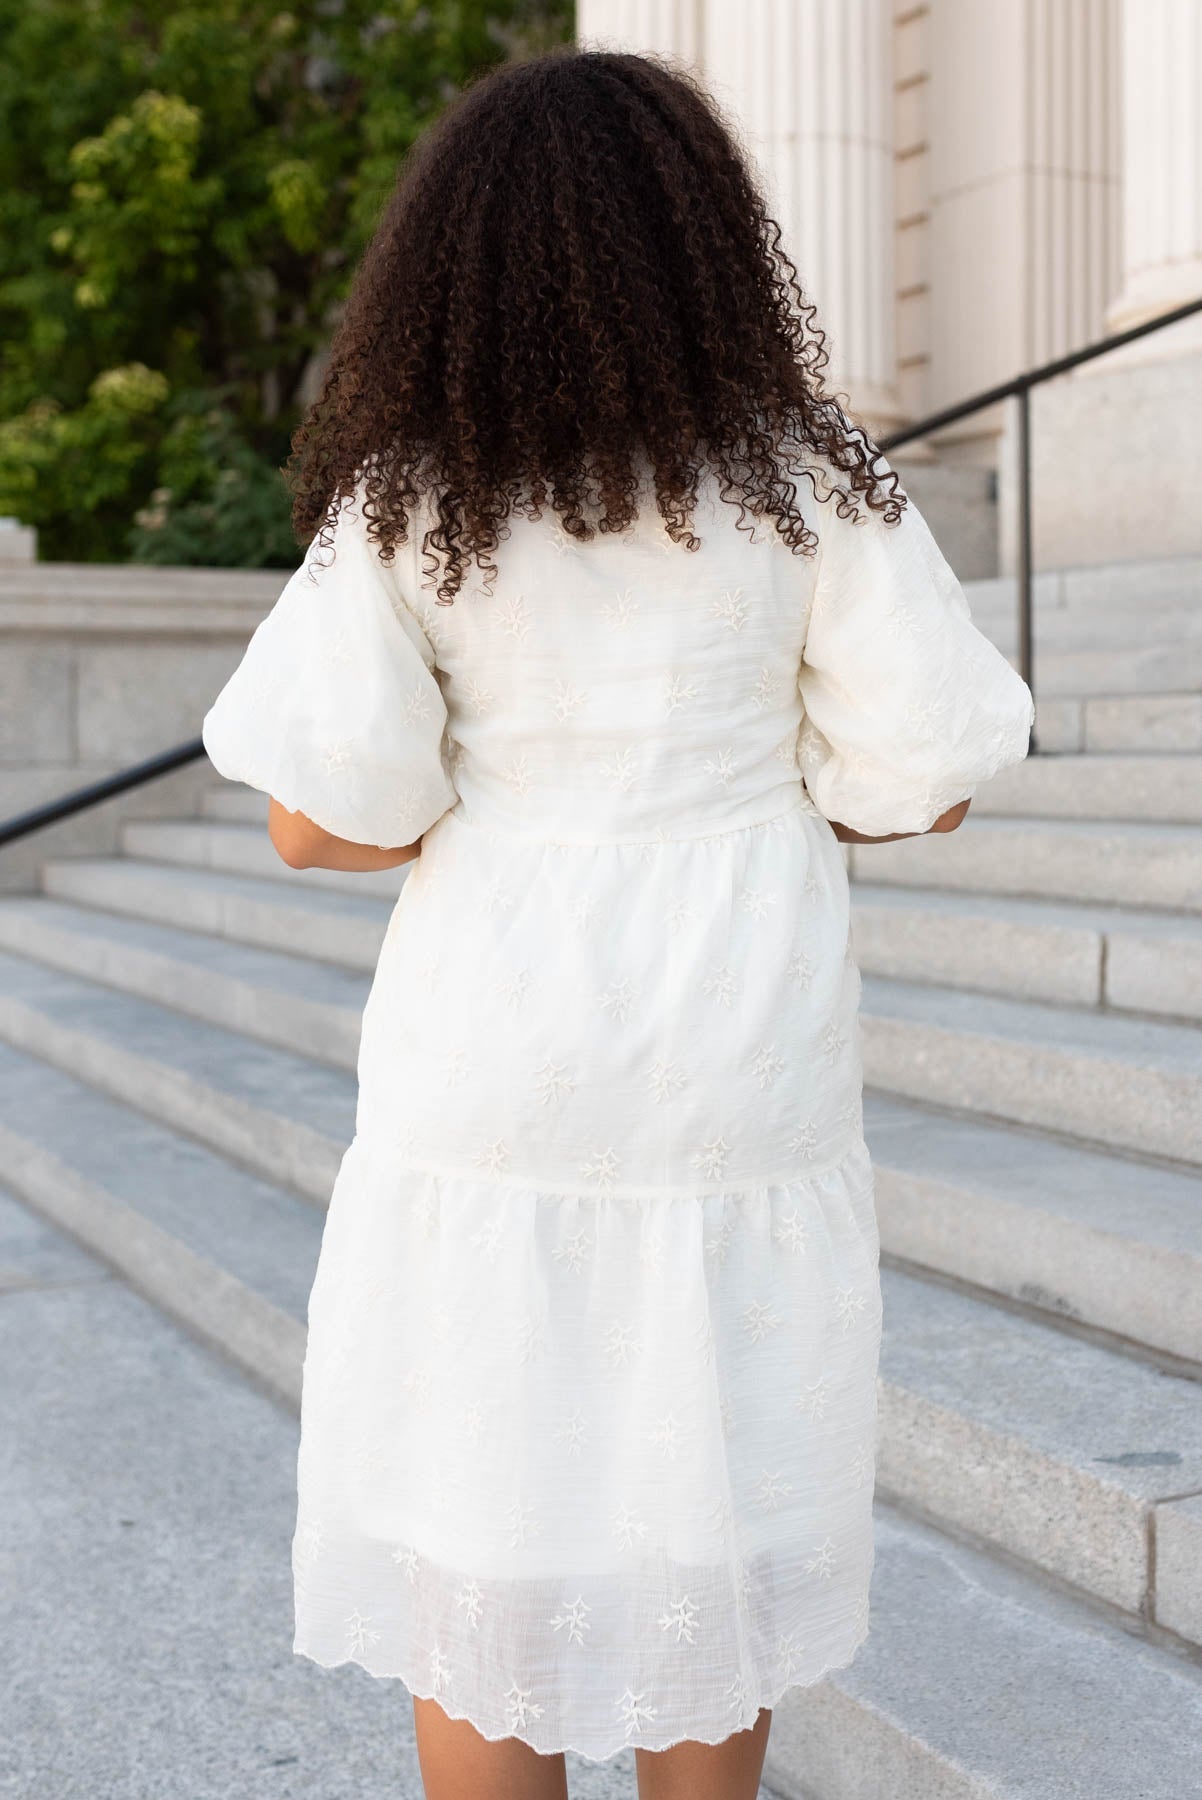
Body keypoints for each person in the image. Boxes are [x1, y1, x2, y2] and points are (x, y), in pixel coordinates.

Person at [201, 42, 1034, 1800]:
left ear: (453, 259)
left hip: (496, 1039)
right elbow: (928, 780)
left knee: (479, 1525)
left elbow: (309, 821)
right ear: (711, 246)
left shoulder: (412, 495)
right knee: (702, 1526)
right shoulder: (798, 477)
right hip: (733, 1040)